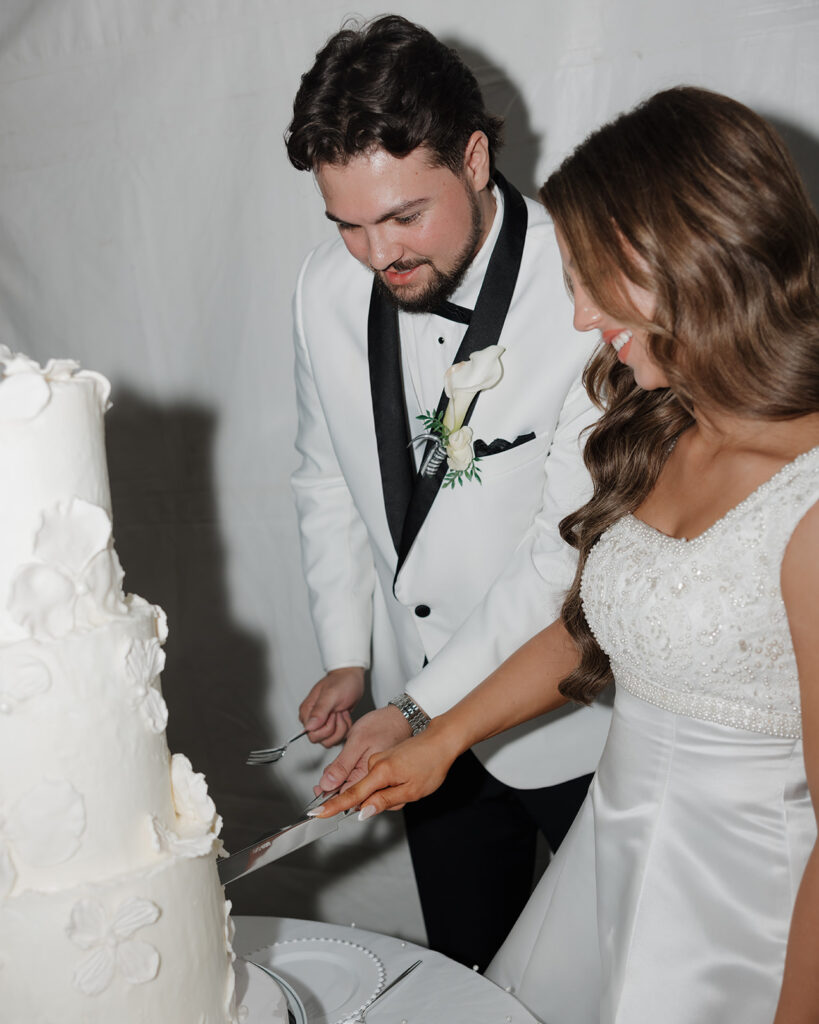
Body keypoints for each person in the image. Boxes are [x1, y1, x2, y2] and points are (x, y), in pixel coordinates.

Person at [313, 86, 819, 1023]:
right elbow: (592, 623)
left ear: (692, 257)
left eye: (592, 279)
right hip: (609, 868)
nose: (582, 317)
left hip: (747, 926)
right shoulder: (664, 426)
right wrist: (442, 740)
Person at [285, 15, 612, 969]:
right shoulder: (320, 290)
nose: (376, 254)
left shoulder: (586, 283)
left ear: (473, 157)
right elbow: (325, 472)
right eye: (347, 223)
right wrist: (349, 652)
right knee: (469, 970)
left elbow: (566, 552)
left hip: (578, 720)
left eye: (402, 217)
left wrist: (422, 710)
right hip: (413, 714)